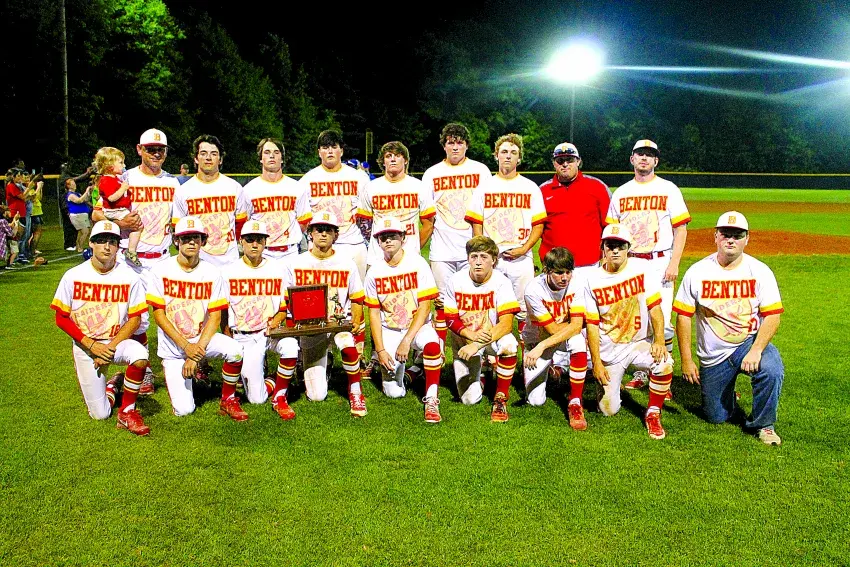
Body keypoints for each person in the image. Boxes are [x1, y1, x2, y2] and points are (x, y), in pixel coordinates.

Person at [674, 212, 785, 446]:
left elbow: (773, 315)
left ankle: (764, 425)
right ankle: (727, 395)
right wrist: (686, 359)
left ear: (747, 238)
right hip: (713, 355)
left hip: (748, 343)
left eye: (737, 235)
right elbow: (683, 316)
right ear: (715, 236)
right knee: (715, 417)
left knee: (771, 369)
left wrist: (756, 350)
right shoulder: (697, 271)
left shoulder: (760, 271)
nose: (731, 240)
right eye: (725, 234)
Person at [92, 127, 181, 396]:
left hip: (163, 257)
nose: (156, 154)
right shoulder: (124, 177)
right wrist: (119, 223)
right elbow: (96, 213)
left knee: (173, 314)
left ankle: (176, 365)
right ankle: (143, 369)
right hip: (131, 258)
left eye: (160, 150)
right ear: (139, 149)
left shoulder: (173, 183)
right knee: (136, 318)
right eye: (150, 149)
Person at [49, 220, 151, 435]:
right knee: (100, 414)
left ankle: (127, 412)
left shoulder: (129, 277)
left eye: (112, 242)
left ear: (118, 246)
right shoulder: (73, 275)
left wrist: (109, 348)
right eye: (101, 241)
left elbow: (135, 320)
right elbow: (61, 318)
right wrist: (91, 345)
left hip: (116, 343)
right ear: (91, 243)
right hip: (86, 346)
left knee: (140, 355)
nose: (107, 246)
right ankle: (114, 385)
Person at [606, 140, 690, 394]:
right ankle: (643, 372)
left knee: (662, 322)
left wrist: (674, 262)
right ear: (632, 159)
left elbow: (681, 229)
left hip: (659, 262)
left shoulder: (668, 189)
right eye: (640, 154)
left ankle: (664, 370)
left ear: (656, 161)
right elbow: (611, 232)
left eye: (649, 155)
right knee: (637, 321)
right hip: (629, 261)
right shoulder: (621, 192)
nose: (644, 158)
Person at [576, 224, 674, 440]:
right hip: (609, 349)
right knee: (608, 410)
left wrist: (659, 340)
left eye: (620, 246)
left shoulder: (643, 268)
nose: (615, 250)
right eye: (610, 246)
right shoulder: (591, 279)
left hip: (638, 343)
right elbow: (592, 324)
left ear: (628, 247)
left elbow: (655, 308)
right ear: (603, 248)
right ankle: (607, 384)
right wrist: (597, 362)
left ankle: (653, 413)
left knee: (664, 363)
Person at [145, 216, 247, 421]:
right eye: (185, 238)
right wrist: (186, 347)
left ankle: (228, 399)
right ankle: (123, 380)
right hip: (174, 348)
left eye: (196, 237)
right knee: (184, 410)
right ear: (176, 241)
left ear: (203, 241)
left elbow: (215, 317)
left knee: (235, 350)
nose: (191, 242)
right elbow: (159, 315)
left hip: (201, 341)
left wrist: (195, 354)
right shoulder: (160, 270)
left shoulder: (212, 272)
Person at [270, 211, 368, 418]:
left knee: (348, 346)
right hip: (311, 328)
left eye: (328, 230)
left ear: (336, 235)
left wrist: (356, 320)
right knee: (316, 396)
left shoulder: (347, 263)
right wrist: (281, 322)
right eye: (319, 230)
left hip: (338, 323)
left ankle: (355, 392)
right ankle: (323, 362)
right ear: (310, 234)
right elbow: (285, 300)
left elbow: (357, 297)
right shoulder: (295, 263)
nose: (323, 234)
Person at [364, 218, 444, 422]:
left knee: (432, 346)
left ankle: (432, 399)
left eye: (392, 236)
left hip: (418, 326)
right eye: (383, 237)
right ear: (378, 241)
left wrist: (407, 340)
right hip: (390, 329)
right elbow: (374, 313)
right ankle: (415, 371)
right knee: (394, 393)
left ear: (403, 237)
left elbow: (425, 306)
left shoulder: (417, 263)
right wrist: (380, 351)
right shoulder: (374, 271)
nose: (388, 241)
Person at [465, 133, 546, 332]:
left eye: (513, 152)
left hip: (521, 257)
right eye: (504, 151)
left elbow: (538, 224)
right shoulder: (485, 186)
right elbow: (477, 223)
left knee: (525, 308)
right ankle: (490, 348)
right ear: (496, 156)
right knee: (490, 306)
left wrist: (525, 248)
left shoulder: (530, 187)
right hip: (493, 258)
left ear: (519, 158)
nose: (508, 156)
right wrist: (484, 252)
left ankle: (526, 350)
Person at [222, 220, 301, 416]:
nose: (255, 244)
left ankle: (280, 397)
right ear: (241, 241)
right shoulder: (228, 271)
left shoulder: (278, 268)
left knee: (291, 345)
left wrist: (276, 321)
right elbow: (223, 311)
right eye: (250, 240)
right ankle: (275, 379)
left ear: (266, 242)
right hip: (244, 336)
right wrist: (228, 339)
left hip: (270, 333)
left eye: (259, 240)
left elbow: (284, 307)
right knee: (256, 399)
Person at [421, 123, 491, 341]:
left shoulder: (480, 170)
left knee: (477, 300)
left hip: (473, 248)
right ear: (444, 146)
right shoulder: (432, 173)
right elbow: (427, 215)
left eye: (459, 142)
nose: (455, 147)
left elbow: (488, 209)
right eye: (451, 142)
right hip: (442, 248)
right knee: (441, 302)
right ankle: (439, 351)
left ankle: (480, 347)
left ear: (466, 145)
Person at [443, 236, 520, 422]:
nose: (478, 262)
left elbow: (506, 324)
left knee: (509, 344)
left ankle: (500, 397)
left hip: (492, 337)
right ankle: (484, 371)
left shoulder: (502, 282)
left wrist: (477, 345)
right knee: (469, 400)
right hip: (464, 339)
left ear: (493, 260)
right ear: (468, 259)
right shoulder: (455, 280)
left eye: (484, 257)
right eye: (474, 256)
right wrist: (470, 336)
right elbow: (450, 319)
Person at [521, 247, 588, 430]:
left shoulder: (578, 283)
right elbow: (552, 329)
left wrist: (542, 346)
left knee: (578, 342)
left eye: (568, 272)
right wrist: (541, 345)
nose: (564, 277)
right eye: (559, 273)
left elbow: (576, 327)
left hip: (545, 343)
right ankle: (555, 369)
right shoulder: (533, 289)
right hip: (536, 338)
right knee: (535, 401)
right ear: (547, 271)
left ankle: (575, 402)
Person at [299, 130, 370, 280]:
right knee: (321, 292)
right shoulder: (307, 180)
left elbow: (366, 216)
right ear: (319, 152)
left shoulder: (359, 177)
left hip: (352, 244)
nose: (330, 151)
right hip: (320, 246)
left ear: (341, 151)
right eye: (325, 147)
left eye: (334, 147)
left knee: (357, 292)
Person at [172, 134, 251, 267]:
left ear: (220, 159)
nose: (208, 157)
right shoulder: (184, 191)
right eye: (203, 153)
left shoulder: (234, 187)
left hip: (229, 262)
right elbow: (178, 228)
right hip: (198, 263)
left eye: (214, 154)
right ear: (196, 158)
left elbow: (241, 224)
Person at [357, 141, 436, 269]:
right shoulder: (371, 187)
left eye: (398, 155)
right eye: (388, 156)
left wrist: (414, 247)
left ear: (405, 160)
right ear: (383, 162)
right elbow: (364, 223)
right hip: (378, 258)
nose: (393, 159)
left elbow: (428, 224)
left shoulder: (419, 186)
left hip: (410, 257)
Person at [538, 142, 611, 272]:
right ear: (554, 163)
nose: (565, 164)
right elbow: (535, 228)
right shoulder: (542, 191)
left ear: (578, 161)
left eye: (570, 160)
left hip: (589, 264)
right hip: (555, 266)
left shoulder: (597, 187)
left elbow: (610, 226)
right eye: (560, 160)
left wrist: (607, 256)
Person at [243, 138, 312, 265]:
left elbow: (304, 222)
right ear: (260, 158)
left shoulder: (296, 187)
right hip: (262, 252)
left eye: (276, 152)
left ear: (282, 158)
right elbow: (244, 223)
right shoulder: (248, 190)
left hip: (290, 252)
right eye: (267, 152)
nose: (272, 156)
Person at [92, 147, 143, 267]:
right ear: (110, 166)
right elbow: (107, 202)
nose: (124, 165)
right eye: (120, 162)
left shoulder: (117, 179)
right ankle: (131, 250)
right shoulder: (108, 180)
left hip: (120, 209)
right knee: (137, 226)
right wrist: (119, 223)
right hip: (116, 211)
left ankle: (131, 250)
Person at [5, 169, 29, 264]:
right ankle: (14, 257)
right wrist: (30, 186)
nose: (20, 177)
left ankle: (18, 256)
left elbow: (24, 198)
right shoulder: (11, 186)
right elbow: (22, 197)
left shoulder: (16, 186)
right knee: (16, 236)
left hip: (21, 212)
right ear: (13, 177)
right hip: (15, 213)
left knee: (22, 235)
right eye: (18, 176)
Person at [65, 178, 92, 253]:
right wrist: (86, 191)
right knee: (85, 231)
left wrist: (88, 193)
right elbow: (79, 201)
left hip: (83, 214)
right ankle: (80, 247)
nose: (75, 184)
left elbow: (85, 199)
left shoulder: (77, 193)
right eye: (72, 183)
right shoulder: (70, 195)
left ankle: (79, 246)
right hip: (77, 215)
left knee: (83, 232)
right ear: (69, 186)